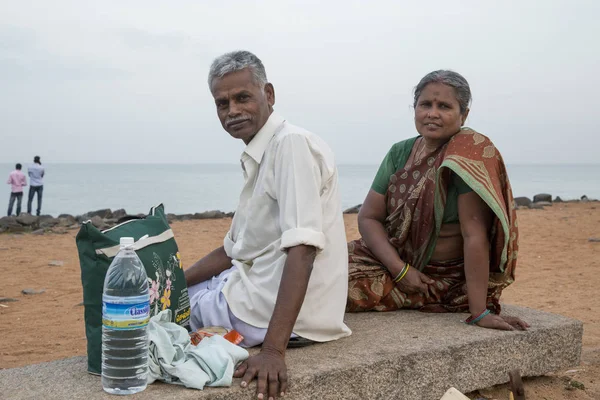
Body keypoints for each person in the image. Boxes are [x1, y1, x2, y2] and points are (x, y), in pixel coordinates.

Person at [184, 50, 351, 399]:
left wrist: (273, 352)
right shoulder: (262, 153)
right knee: (171, 296)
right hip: (255, 290)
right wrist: (170, 283)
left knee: (164, 313)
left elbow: (303, 247)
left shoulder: (290, 145)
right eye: (222, 103)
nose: (232, 111)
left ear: (269, 95)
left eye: (242, 97)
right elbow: (231, 251)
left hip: (270, 312)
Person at [346, 70, 529, 332]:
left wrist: (479, 312)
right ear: (415, 109)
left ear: (463, 114)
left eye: (444, 106)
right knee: (317, 268)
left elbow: (474, 235)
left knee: (336, 292)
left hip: (436, 279)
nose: (432, 113)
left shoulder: (466, 156)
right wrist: (399, 269)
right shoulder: (400, 152)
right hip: (391, 260)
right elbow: (368, 217)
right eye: (425, 105)